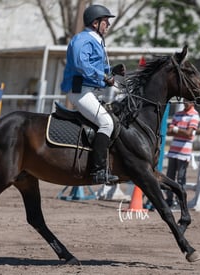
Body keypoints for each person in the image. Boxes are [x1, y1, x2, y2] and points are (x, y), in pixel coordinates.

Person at [60, 4, 125, 185]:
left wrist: (112, 70)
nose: (108, 25)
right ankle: (98, 171)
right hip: (80, 91)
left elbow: (95, 68)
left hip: (89, 91)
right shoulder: (83, 39)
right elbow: (82, 65)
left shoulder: (96, 40)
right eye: (105, 21)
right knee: (106, 122)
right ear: (95, 23)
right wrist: (105, 76)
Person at [165, 100, 200, 208]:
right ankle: (169, 199)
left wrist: (175, 129)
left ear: (193, 103)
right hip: (173, 150)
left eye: (188, 101)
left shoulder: (194, 115)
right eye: (185, 101)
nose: (186, 102)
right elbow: (168, 131)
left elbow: (189, 134)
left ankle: (179, 200)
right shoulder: (178, 114)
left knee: (181, 178)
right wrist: (182, 131)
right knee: (169, 177)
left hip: (184, 152)